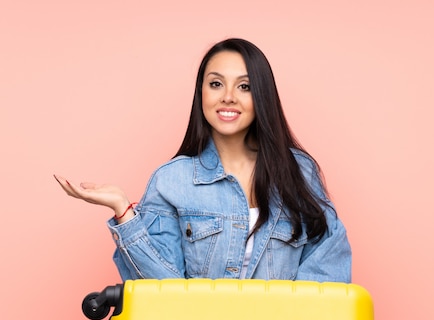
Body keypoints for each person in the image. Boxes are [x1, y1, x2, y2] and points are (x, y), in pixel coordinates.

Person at [55, 38, 352, 283]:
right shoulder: (171, 181)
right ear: (201, 93)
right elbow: (163, 290)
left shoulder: (299, 172)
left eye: (244, 86)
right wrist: (124, 212)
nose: (228, 97)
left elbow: (328, 270)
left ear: (262, 96)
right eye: (216, 84)